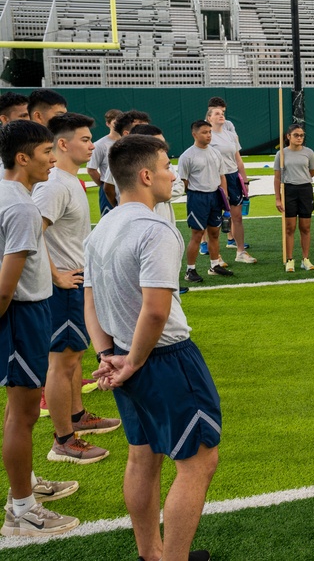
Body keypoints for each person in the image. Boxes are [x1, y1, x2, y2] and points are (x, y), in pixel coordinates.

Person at [85, 135, 219, 561]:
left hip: (123, 352)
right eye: (165, 166)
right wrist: (133, 361)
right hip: (161, 358)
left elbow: (90, 299)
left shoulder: (102, 226)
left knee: (143, 458)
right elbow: (156, 310)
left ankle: (151, 555)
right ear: (145, 176)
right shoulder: (155, 228)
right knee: (197, 462)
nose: (171, 173)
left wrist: (107, 355)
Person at [0, 120, 80, 538]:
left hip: (26, 313)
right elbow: (4, 288)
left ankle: (25, 484)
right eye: (47, 152)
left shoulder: (12, 195)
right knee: (25, 413)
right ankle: (21, 511)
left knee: (19, 411)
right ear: (22, 157)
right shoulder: (20, 206)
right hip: (21, 316)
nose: (53, 160)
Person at [34, 113, 120, 467]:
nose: (92, 145)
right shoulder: (54, 184)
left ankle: (77, 415)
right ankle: (63, 440)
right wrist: (55, 275)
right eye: (85, 139)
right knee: (61, 362)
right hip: (64, 286)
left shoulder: (68, 181)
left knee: (73, 358)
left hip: (76, 282)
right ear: (63, 144)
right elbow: (28, 232)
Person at [178, 120, 233, 282]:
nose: (209, 135)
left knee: (215, 233)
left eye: (210, 132)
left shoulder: (215, 153)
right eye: (204, 132)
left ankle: (215, 265)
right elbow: (184, 181)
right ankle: (190, 270)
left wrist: (225, 197)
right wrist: (196, 193)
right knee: (197, 234)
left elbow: (222, 175)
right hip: (198, 198)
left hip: (215, 196)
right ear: (194, 134)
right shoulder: (187, 156)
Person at [207, 107, 255, 264]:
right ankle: (216, 258)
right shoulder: (208, 136)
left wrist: (245, 180)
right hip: (215, 178)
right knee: (214, 219)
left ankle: (240, 251)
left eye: (222, 114)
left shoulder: (231, 135)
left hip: (233, 176)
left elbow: (238, 159)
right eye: (217, 114)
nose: (221, 116)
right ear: (209, 118)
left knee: (237, 216)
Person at [274, 124, 314, 272]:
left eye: (302, 135)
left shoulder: (309, 153)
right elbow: (277, 178)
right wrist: (278, 198)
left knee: (305, 227)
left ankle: (305, 259)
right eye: (296, 135)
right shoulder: (281, 154)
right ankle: (290, 259)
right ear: (288, 136)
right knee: (289, 227)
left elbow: (311, 172)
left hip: (305, 190)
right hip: (289, 190)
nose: (299, 138)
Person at [104, 110, 151, 210]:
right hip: (131, 212)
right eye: (142, 128)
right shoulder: (118, 159)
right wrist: (121, 206)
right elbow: (108, 188)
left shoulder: (156, 155)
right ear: (127, 133)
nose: (148, 132)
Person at [86, 108, 123, 217]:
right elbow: (91, 169)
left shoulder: (128, 141)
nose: (118, 125)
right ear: (108, 124)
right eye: (115, 123)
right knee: (109, 221)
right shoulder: (100, 145)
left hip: (126, 187)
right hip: (109, 189)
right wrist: (104, 185)